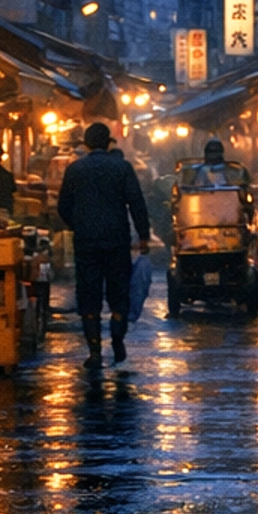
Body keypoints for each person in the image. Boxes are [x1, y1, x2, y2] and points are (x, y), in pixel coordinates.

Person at [57, 121, 151, 368]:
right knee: (118, 292)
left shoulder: (75, 170)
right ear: (108, 143)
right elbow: (137, 203)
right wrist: (143, 235)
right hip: (116, 240)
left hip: (86, 241)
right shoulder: (122, 168)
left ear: (86, 144)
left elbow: (63, 207)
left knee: (89, 294)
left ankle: (95, 351)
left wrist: (78, 224)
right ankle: (117, 340)